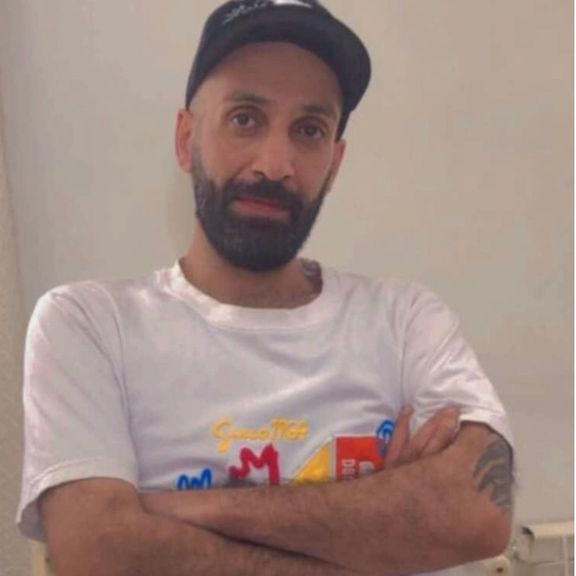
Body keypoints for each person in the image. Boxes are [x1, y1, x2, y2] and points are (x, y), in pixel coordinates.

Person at [17, 1, 514, 575]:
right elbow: (98, 550)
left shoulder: (407, 320)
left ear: (334, 164)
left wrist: (172, 511)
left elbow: (478, 512)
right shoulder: (88, 324)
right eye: (245, 119)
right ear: (185, 139)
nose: (275, 164)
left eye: (309, 130)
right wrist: (381, 510)